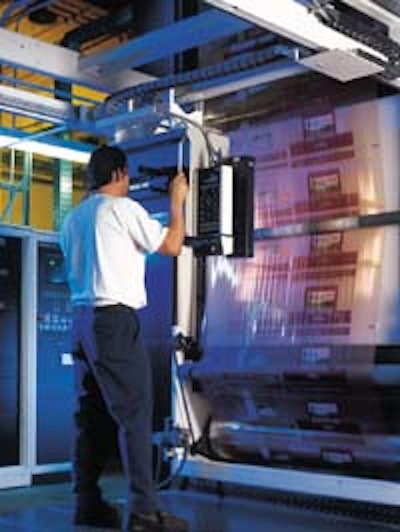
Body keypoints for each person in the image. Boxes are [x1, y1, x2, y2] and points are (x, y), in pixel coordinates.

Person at [60, 145, 190, 532]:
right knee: (134, 415)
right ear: (119, 174)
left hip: (82, 324)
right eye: (128, 176)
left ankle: (87, 505)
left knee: (90, 417)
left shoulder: (73, 219)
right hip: (114, 322)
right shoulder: (122, 208)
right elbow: (171, 245)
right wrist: (177, 201)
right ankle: (144, 513)